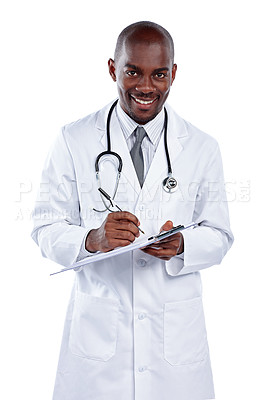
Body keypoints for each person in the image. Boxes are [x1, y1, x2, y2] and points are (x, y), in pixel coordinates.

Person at [31, 21, 233, 400]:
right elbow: (45, 226)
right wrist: (93, 238)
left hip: (174, 344)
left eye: (158, 74)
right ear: (112, 69)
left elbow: (220, 235)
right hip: (99, 346)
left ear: (173, 74)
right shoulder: (74, 139)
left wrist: (183, 244)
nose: (145, 87)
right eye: (132, 71)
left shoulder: (202, 147)